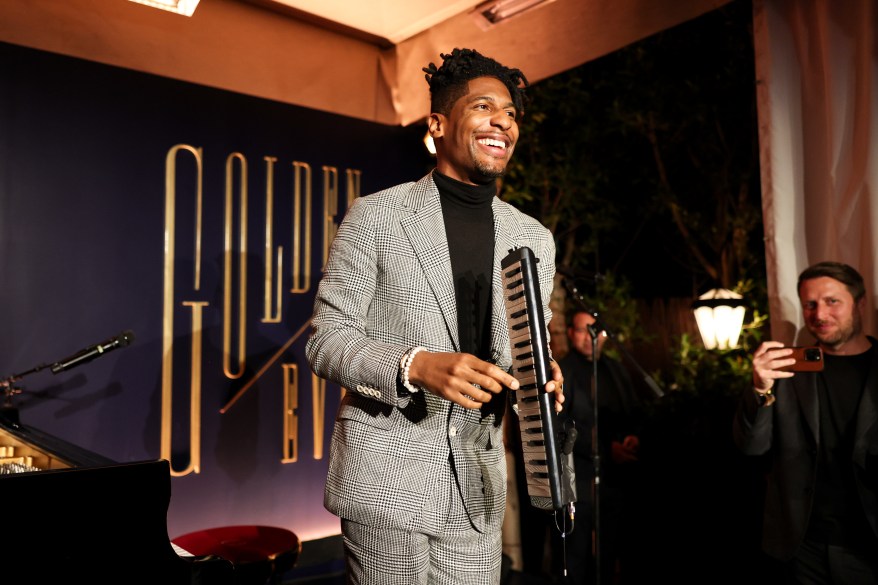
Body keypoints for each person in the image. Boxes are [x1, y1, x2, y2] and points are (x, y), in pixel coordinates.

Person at [305, 47, 564, 585]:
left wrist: (540, 374)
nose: (503, 122)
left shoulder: (534, 238)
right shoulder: (376, 215)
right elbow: (327, 340)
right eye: (484, 107)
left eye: (512, 114)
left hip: (479, 487)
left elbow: (521, 350)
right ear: (439, 124)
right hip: (388, 479)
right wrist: (416, 365)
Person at [733, 261, 878, 584]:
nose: (819, 314)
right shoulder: (788, 370)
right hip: (802, 546)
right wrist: (759, 388)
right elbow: (752, 446)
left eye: (832, 301)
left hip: (868, 543)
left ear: (861, 303)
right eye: (810, 304)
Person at [549, 309, 648, 584]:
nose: (590, 337)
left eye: (596, 330)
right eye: (583, 330)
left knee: (612, 550)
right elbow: (560, 426)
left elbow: (633, 412)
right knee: (575, 555)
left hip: (615, 479)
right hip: (578, 479)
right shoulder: (563, 371)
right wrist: (605, 449)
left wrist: (633, 437)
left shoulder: (615, 369)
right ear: (571, 333)